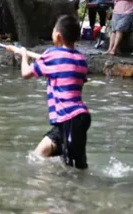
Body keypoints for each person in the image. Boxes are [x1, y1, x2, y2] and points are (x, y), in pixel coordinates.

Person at [13, 14, 90, 170]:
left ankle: (76, 191)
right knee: (39, 154)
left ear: (58, 36)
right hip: (70, 119)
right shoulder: (81, 59)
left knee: (75, 169)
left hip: (71, 118)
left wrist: (24, 56)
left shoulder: (52, 54)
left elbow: (26, 73)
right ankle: (49, 187)